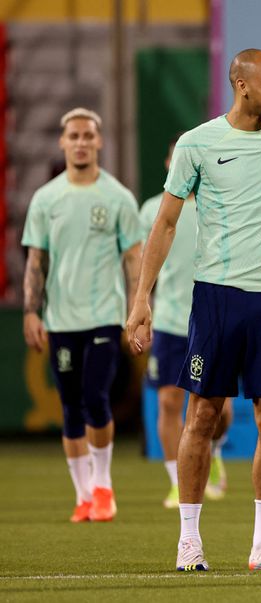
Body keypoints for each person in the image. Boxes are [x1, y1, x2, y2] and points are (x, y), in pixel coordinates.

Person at [126, 48, 261, 572]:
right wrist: (142, 298)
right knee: (202, 413)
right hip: (218, 297)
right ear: (241, 84)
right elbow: (166, 224)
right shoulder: (198, 144)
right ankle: (189, 541)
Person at [21, 107, 142, 523]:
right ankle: (83, 494)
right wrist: (30, 312)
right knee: (70, 405)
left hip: (104, 316)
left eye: (88, 135)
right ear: (62, 142)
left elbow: (133, 259)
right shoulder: (46, 199)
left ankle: (104, 485)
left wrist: (137, 307)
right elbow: (36, 260)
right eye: (73, 135)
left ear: (100, 141)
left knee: (96, 397)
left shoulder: (118, 198)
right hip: (60, 319)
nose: (81, 142)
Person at [139, 138, 234, 509]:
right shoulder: (151, 210)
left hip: (213, 320)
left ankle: (212, 449)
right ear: (168, 163)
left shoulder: (220, 205)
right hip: (168, 321)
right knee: (167, 403)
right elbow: (141, 262)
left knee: (218, 411)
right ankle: (178, 483)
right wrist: (138, 306)